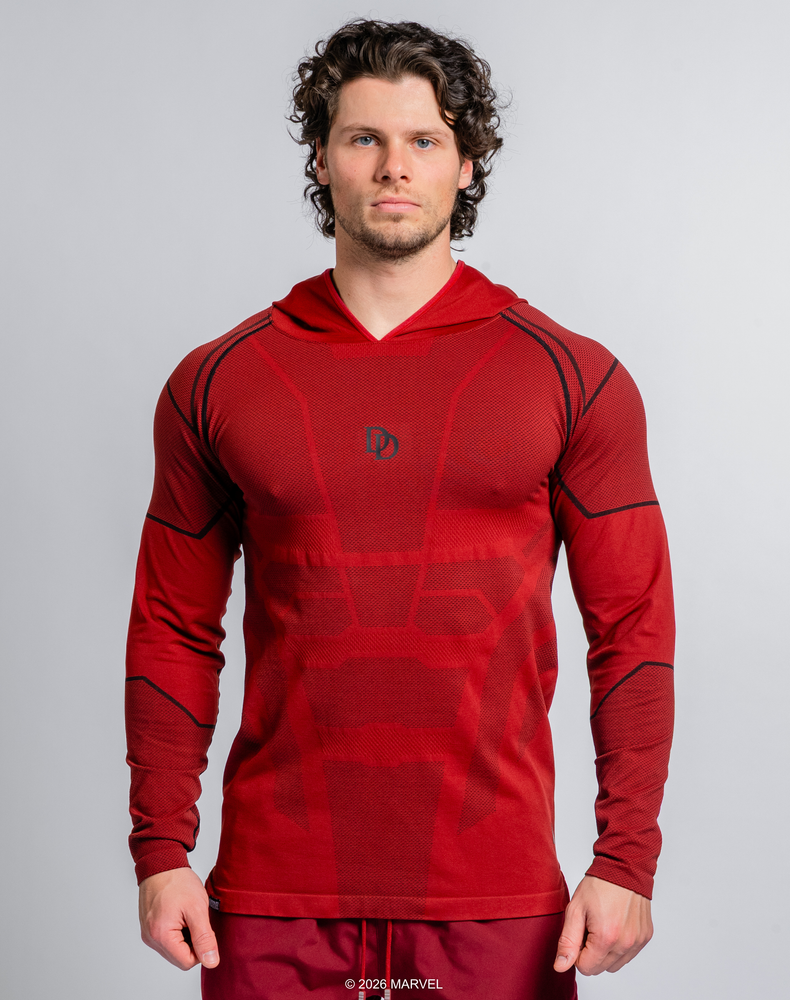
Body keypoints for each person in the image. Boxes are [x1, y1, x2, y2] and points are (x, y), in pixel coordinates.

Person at [126, 18, 675, 1000]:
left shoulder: (572, 377)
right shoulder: (219, 381)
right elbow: (173, 625)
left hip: (497, 901)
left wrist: (625, 857)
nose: (394, 166)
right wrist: (161, 848)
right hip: (272, 901)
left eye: (424, 139)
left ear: (466, 163)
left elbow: (631, 625)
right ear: (321, 158)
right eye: (363, 138)